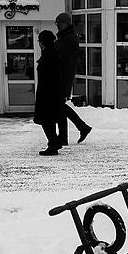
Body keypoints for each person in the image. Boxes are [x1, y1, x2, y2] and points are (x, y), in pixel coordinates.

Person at [53, 12, 92, 147]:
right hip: (62, 78)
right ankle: (77, 129)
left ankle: (75, 131)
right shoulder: (66, 38)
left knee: (59, 107)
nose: (57, 26)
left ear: (65, 23)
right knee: (60, 107)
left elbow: (64, 61)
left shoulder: (68, 39)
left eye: (59, 23)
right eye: (56, 23)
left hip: (62, 79)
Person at [33, 30, 63, 156]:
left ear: (42, 42)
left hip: (47, 93)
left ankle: (53, 144)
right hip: (51, 92)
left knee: (46, 120)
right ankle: (54, 143)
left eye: (39, 40)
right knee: (49, 120)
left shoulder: (49, 56)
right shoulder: (52, 54)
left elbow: (49, 76)